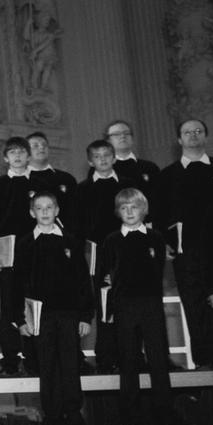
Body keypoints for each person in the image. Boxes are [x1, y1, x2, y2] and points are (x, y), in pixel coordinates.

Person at [96, 188, 188, 425]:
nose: (129, 212)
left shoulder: (155, 237)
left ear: (143, 210)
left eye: (134, 207)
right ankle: (130, 418)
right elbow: (104, 276)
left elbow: (156, 271)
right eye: (124, 208)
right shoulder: (112, 240)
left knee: (158, 359)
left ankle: (166, 414)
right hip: (124, 306)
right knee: (128, 361)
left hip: (150, 304)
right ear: (118, 212)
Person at [11, 192, 93, 425]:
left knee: (70, 365)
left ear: (57, 210)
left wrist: (85, 316)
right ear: (31, 212)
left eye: (49, 207)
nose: (45, 212)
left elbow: (82, 282)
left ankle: (74, 415)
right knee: (47, 367)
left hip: (68, 314)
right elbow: (17, 284)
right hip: (39, 317)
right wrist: (19, 319)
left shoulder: (71, 241)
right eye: (39, 208)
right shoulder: (26, 244)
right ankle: (53, 417)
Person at [152, 119, 213, 370]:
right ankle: (205, 362)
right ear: (179, 140)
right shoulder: (167, 175)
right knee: (194, 305)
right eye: (187, 132)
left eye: (198, 131)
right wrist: (164, 242)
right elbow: (158, 214)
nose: (193, 135)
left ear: (206, 136)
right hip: (187, 251)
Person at [0, 137, 35, 375]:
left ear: (28, 155)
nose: (17, 156)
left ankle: (35, 355)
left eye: (21, 152)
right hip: (6, 251)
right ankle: (10, 359)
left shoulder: (40, 182)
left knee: (34, 299)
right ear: (5, 157)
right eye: (12, 152)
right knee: (8, 305)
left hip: (35, 252)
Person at [76, 140, 124, 373]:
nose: (103, 159)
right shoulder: (82, 189)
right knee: (101, 302)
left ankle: (130, 353)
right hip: (96, 251)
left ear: (114, 157)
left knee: (126, 300)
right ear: (90, 161)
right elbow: (78, 226)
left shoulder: (127, 185)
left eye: (107, 155)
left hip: (125, 251)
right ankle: (105, 355)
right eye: (98, 156)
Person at [26, 132, 77, 221]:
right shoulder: (20, 180)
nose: (41, 147)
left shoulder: (66, 178)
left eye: (44, 145)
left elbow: (76, 210)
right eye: (35, 146)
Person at [102, 119, 159, 191]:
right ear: (108, 141)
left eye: (126, 133)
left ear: (132, 138)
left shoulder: (150, 167)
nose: (123, 136)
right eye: (116, 134)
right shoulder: (101, 168)